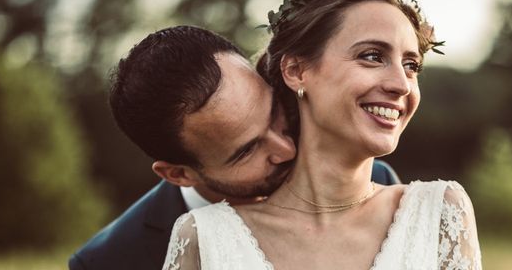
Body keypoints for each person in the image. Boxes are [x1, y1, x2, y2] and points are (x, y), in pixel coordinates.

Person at [163, 0, 482, 269]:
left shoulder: (440, 213)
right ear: (297, 71)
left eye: (411, 65)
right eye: (372, 56)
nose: (401, 84)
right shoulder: (204, 237)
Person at [68, 26, 400, 270]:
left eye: (273, 113)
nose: (286, 149)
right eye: (247, 151)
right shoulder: (109, 262)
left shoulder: (370, 178)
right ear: (179, 173)